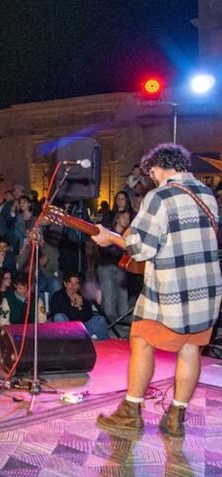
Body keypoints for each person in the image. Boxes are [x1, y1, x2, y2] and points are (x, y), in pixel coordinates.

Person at [91, 143, 222, 437]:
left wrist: (111, 237)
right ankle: (176, 417)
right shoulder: (206, 194)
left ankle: (131, 411)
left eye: (149, 174)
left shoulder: (159, 195)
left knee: (140, 340)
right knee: (190, 350)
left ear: (155, 168)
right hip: (207, 293)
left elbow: (140, 248)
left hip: (170, 292)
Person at [48, 273, 109, 340]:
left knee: (100, 319)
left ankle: (105, 345)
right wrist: (73, 304)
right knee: (59, 317)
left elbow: (88, 315)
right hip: (68, 329)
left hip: (82, 327)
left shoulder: (82, 296)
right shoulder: (58, 295)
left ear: (79, 286)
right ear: (65, 284)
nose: (73, 286)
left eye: (76, 283)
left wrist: (79, 306)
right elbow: (57, 312)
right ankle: (72, 341)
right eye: (70, 283)